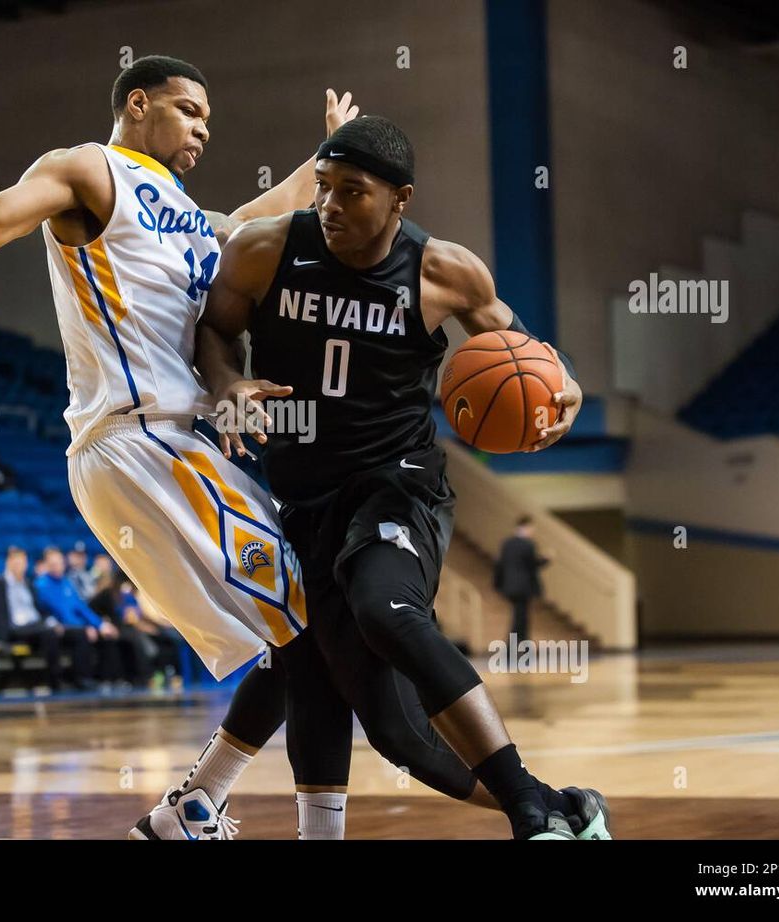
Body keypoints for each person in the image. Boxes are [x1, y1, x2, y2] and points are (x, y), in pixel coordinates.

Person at [0, 58, 361, 828]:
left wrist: (325, 160)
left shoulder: (189, 213)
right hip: (141, 442)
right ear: (138, 103)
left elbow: (256, 216)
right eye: (189, 110)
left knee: (300, 637)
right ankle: (263, 817)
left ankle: (190, 811)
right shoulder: (87, 169)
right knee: (317, 632)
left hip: (173, 448)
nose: (202, 128)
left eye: (208, 120)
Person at [156, 115, 607, 841]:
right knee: (388, 730)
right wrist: (228, 382)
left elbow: (520, 349)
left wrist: (568, 384)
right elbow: (215, 329)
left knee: (383, 607)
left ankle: (530, 818)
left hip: (395, 484)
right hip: (298, 498)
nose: (330, 204)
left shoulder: (444, 271)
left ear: (400, 198)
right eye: (325, 187)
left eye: (352, 192)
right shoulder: (266, 248)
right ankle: (562, 806)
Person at [0, 546, 96, 691]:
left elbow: (42, 611)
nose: (20, 566)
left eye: (22, 562)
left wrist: (52, 623)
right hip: (16, 628)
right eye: (16, 562)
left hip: (36, 626)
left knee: (79, 633)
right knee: (49, 633)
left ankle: (82, 679)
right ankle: (56, 681)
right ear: (8, 563)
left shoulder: (29, 584)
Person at [34, 546, 123, 682]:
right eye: (53, 564)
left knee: (108, 633)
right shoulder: (42, 585)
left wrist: (99, 624)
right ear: (47, 565)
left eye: (60, 563)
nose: (57, 567)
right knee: (82, 635)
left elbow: (81, 607)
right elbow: (61, 612)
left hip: (75, 625)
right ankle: (82, 679)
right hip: (59, 628)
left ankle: (110, 679)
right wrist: (84, 626)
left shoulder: (66, 582)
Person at [495, 516, 551, 644]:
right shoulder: (528, 544)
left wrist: (498, 584)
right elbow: (532, 564)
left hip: (509, 585)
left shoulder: (507, 543)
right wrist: (546, 559)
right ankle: (516, 646)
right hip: (523, 587)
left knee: (520, 616)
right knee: (520, 618)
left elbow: (500, 565)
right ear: (526, 527)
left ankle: (521, 645)